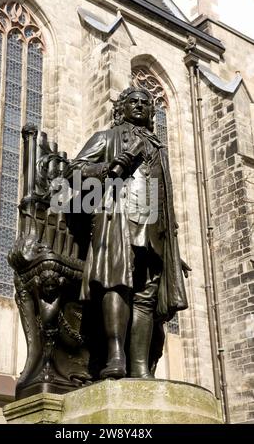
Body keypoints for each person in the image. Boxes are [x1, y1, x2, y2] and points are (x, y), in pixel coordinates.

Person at [68, 87, 190, 380]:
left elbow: (161, 198)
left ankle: (139, 367)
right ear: (121, 108)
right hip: (117, 220)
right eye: (133, 101)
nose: (139, 106)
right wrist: (108, 167)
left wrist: (172, 245)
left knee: (146, 297)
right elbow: (73, 172)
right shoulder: (106, 138)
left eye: (145, 103)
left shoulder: (158, 149)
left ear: (151, 112)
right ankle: (115, 357)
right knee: (116, 284)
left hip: (152, 229)